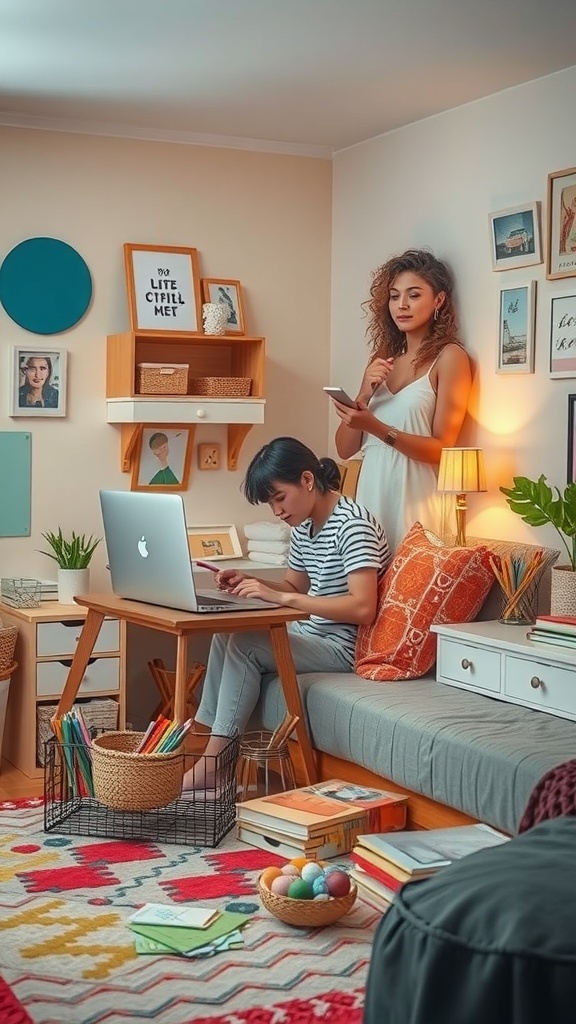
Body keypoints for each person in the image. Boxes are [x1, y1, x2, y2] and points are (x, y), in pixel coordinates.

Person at [182, 436, 390, 792]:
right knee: (224, 633)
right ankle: (207, 750)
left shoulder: (353, 526)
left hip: (343, 648)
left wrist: (282, 598)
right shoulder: (306, 528)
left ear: (307, 481)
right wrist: (252, 581)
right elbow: (293, 587)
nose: (277, 511)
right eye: (271, 503)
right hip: (314, 635)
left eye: (280, 498)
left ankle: (215, 765)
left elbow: (362, 608)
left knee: (245, 643)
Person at [332, 249, 472, 553]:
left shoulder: (451, 358)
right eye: (394, 296)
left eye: (414, 295)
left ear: (439, 300)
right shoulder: (382, 360)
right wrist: (363, 397)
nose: (402, 305)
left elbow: (442, 449)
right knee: (368, 592)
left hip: (417, 498)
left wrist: (378, 427)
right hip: (372, 495)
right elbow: (345, 449)